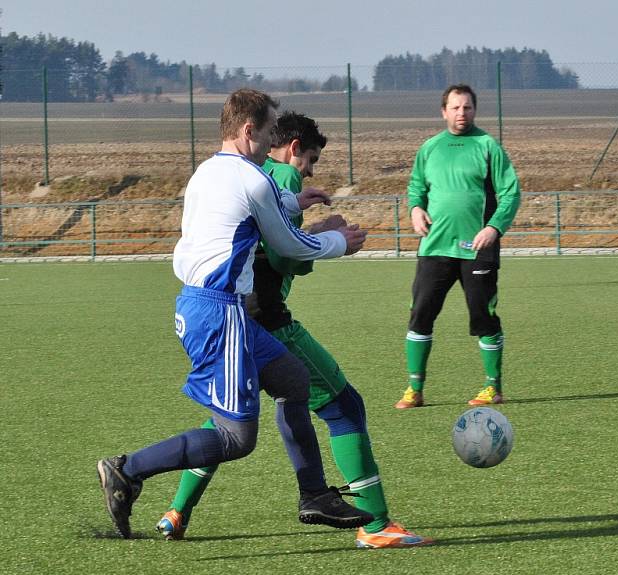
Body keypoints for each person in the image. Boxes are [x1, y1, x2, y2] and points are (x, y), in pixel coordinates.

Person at [96, 89, 373, 539]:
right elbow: (288, 245)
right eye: (266, 134)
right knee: (235, 438)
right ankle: (128, 469)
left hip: (213, 307)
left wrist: (292, 204)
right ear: (248, 131)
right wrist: (339, 243)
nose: (270, 144)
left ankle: (315, 494)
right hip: (219, 312)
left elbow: (243, 209)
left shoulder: (207, 172)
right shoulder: (254, 178)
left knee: (292, 380)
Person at [155, 111, 432, 548]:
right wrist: (329, 236)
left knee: (226, 423)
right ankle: (375, 526)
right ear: (292, 146)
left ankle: (176, 512)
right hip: (269, 322)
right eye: (310, 161)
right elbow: (285, 256)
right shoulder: (280, 173)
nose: (308, 173)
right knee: (344, 406)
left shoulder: (230, 171)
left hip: (223, 315)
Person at [396, 83, 520, 409]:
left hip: (478, 247)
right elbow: (416, 187)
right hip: (435, 246)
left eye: (467, 107)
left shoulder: (488, 146)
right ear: (444, 111)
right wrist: (415, 209)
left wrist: (494, 227)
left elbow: (511, 193)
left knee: (483, 316)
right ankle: (415, 390)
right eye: (455, 107)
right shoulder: (430, 148)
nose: (461, 113)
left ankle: (493, 387)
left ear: (474, 110)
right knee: (420, 314)